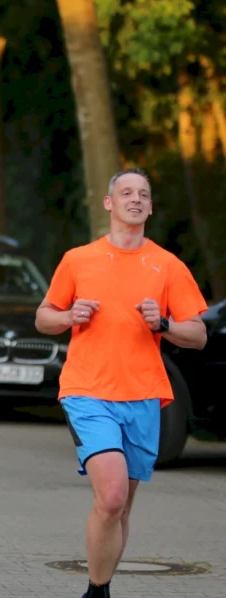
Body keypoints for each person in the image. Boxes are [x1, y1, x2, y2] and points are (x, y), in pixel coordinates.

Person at [35, 168, 208, 598]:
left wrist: (164, 323)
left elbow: (198, 334)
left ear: (149, 207)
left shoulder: (167, 266)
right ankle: (96, 593)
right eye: (126, 192)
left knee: (122, 505)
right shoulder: (79, 259)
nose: (135, 199)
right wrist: (68, 316)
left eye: (143, 194)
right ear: (109, 203)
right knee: (111, 496)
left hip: (143, 395)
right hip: (87, 390)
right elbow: (43, 317)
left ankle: (101, 586)